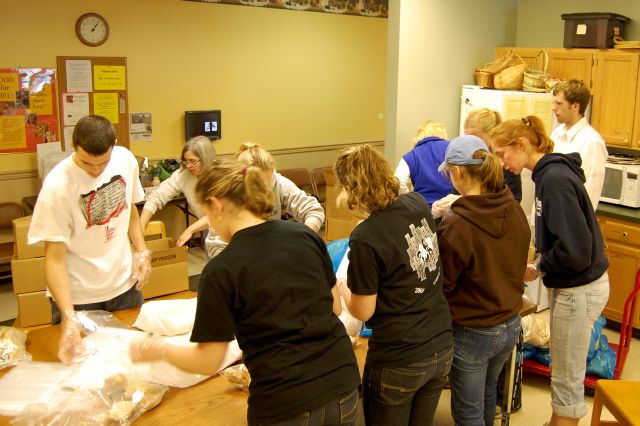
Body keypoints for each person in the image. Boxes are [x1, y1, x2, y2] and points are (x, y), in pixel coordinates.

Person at [130, 159, 360, 425]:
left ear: (217, 205)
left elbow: (208, 361)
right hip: (343, 383)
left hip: (286, 400)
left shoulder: (221, 270)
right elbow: (334, 307)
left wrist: (160, 349)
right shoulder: (304, 235)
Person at [490, 116, 609, 426]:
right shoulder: (546, 176)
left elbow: (576, 251)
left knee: (568, 378)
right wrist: (541, 264)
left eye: (503, 154)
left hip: (579, 287)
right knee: (564, 369)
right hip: (573, 284)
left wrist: (542, 265)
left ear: (522, 144)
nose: (502, 163)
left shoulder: (554, 180)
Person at [334, 144, 453, 426]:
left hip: (400, 357)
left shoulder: (365, 236)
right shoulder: (417, 203)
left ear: (351, 189)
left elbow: (363, 311)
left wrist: (342, 287)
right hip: (440, 344)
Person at [28, 115, 151, 364]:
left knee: (129, 366)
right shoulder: (57, 187)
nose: (95, 171)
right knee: (81, 374)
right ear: (73, 146)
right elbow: (54, 259)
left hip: (124, 288)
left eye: (102, 164)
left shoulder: (126, 160)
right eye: (86, 163)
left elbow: (130, 212)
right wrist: (69, 317)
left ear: (114, 145)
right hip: (79, 298)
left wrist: (141, 251)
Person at [436, 135, 530, 425]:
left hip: (473, 331)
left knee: (468, 412)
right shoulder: (513, 208)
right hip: (510, 323)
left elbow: (443, 284)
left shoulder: (457, 225)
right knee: (489, 393)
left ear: (459, 172)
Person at [139, 136, 217, 250]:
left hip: (230, 232)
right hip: (209, 231)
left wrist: (190, 229)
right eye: (185, 161)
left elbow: (216, 215)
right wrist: (141, 225)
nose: (188, 166)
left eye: (193, 161)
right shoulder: (184, 175)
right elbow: (157, 196)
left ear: (206, 159)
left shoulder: (219, 176)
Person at [551, 79, 608, 210]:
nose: (553, 108)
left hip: (571, 219)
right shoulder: (556, 134)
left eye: (559, 103)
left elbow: (590, 193)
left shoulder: (592, 142)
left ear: (575, 106)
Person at [464, 107, 522, 202]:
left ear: (491, 134)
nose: (471, 144)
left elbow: (514, 200)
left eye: (477, 139)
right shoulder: (471, 159)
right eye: (468, 139)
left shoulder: (506, 163)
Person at [395, 120, 453, 206]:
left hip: (424, 211)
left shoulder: (411, 156)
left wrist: (409, 200)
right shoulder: (453, 148)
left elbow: (398, 182)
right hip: (453, 207)